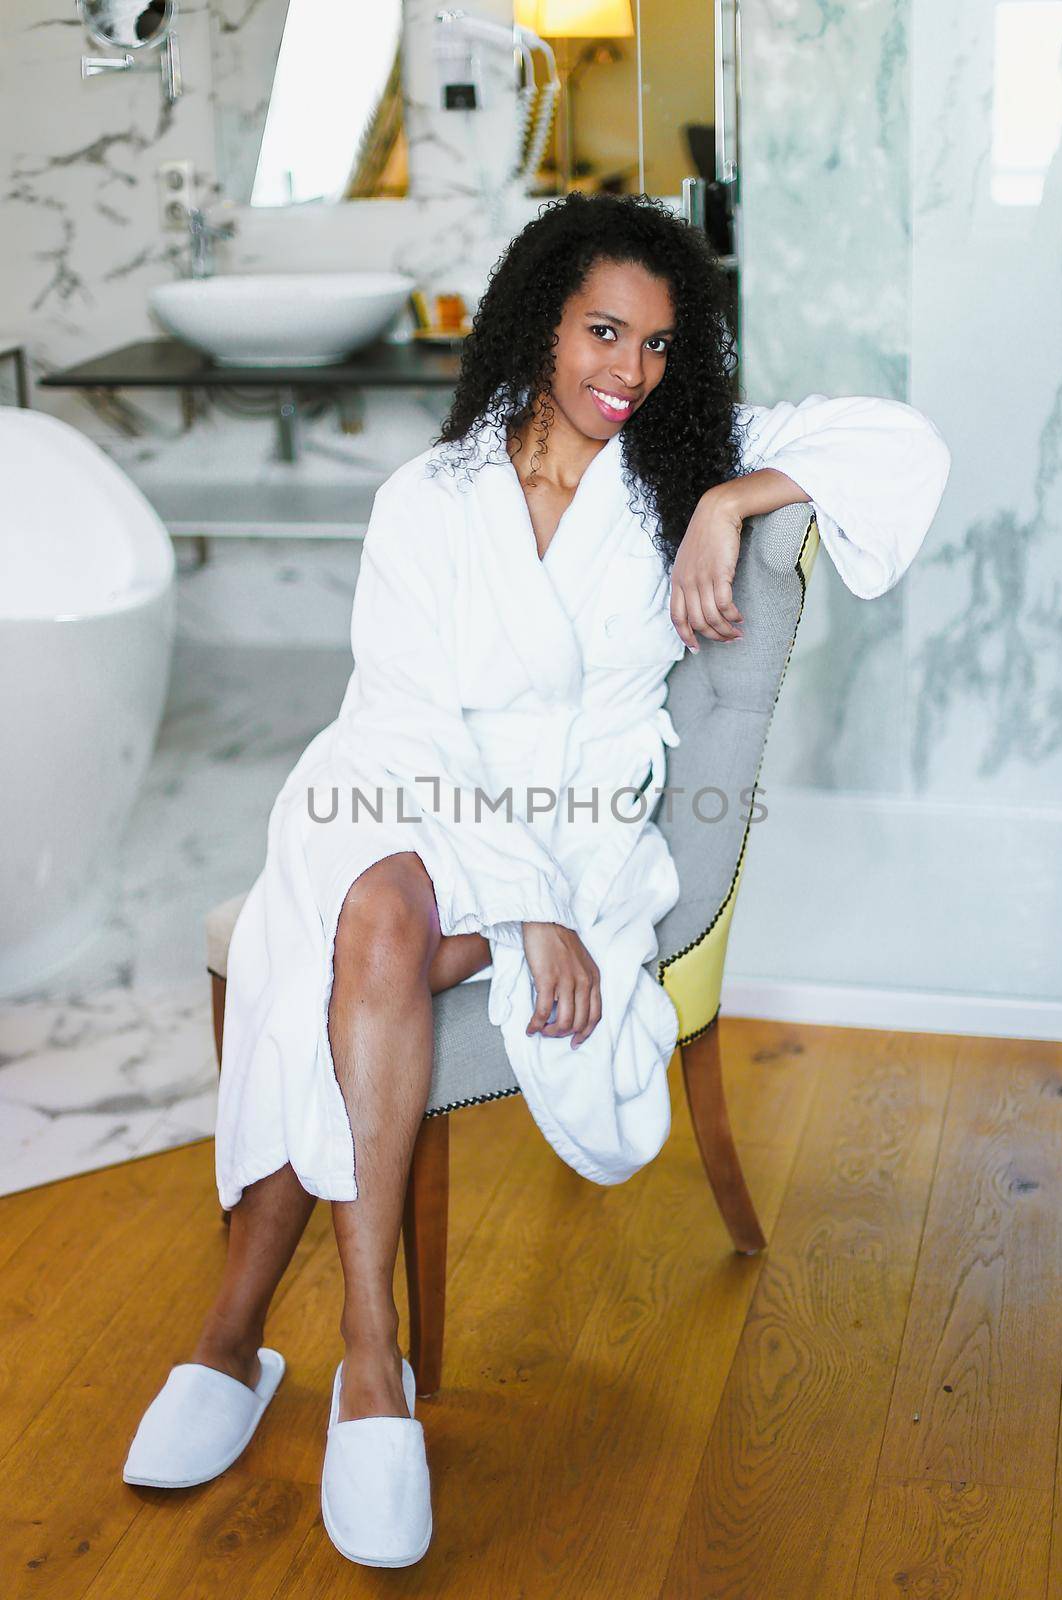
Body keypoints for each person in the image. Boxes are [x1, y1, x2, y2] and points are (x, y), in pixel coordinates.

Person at [121, 193, 951, 1566]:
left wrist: (731, 502)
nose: (628, 372)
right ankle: (369, 1358)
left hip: (573, 821)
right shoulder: (428, 501)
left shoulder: (678, 472)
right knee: (372, 904)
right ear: (539, 324)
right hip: (395, 788)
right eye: (602, 332)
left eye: (660, 345)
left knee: (345, 954)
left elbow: (898, 442)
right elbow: (401, 721)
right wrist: (524, 908)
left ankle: (234, 1339)